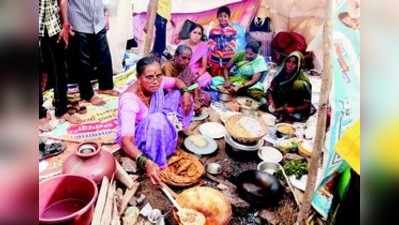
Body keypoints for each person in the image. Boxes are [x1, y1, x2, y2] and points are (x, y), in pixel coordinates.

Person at [117, 56, 193, 184]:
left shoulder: (157, 83)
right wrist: (146, 163)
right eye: (149, 77)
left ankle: (172, 130)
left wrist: (185, 92)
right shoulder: (129, 101)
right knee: (157, 119)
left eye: (158, 75)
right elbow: (126, 142)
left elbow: (176, 81)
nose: (155, 81)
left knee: (178, 95)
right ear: (138, 77)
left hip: (154, 121)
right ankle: (156, 160)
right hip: (139, 138)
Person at [60, 0, 118, 106]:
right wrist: (66, 23)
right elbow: (64, 1)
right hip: (79, 20)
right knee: (83, 60)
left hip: (98, 20)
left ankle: (106, 86)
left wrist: (106, 16)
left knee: (104, 54)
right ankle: (87, 94)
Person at [39, 0, 81, 131]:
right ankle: (39, 115)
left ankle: (61, 109)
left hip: (53, 25)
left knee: (60, 69)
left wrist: (65, 24)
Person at [261, 51, 315, 122]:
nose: (290, 65)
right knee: (262, 103)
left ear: (299, 65)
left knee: (288, 119)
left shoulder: (303, 83)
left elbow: (307, 104)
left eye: (294, 63)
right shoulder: (281, 74)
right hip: (278, 104)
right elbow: (270, 90)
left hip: (293, 107)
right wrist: (271, 101)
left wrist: (293, 109)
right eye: (288, 61)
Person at [162, 45, 211, 113]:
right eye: (184, 58)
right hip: (171, 93)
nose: (187, 61)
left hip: (185, 89)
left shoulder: (186, 67)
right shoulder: (168, 66)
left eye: (189, 59)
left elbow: (195, 84)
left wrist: (196, 98)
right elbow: (169, 89)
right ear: (176, 56)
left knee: (205, 96)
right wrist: (186, 96)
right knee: (178, 97)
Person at [207, 6, 237, 76]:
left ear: (228, 18)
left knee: (227, 73)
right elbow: (210, 42)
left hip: (228, 56)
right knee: (216, 75)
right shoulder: (213, 30)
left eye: (225, 16)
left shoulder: (232, 30)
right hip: (216, 56)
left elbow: (233, 41)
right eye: (220, 16)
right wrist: (215, 48)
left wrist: (228, 47)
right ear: (217, 17)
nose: (223, 18)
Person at [181, 23, 212, 88]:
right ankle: (191, 87)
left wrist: (197, 75)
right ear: (190, 33)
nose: (196, 35)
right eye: (194, 32)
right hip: (183, 71)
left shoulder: (203, 46)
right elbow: (178, 63)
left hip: (196, 72)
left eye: (199, 33)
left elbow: (204, 66)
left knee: (208, 79)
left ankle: (192, 87)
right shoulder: (183, 44)